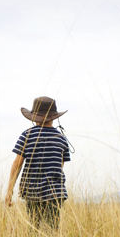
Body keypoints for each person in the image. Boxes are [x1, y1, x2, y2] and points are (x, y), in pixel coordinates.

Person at [5, 96, 71, 229]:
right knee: (52, 229)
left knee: (34, 228)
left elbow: (17, 164)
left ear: (35, 117)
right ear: (53, 117)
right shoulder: (61, 138)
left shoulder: (27, 135)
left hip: (32, 192)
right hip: (55, 193)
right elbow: (59, 166)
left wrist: (10, 190)